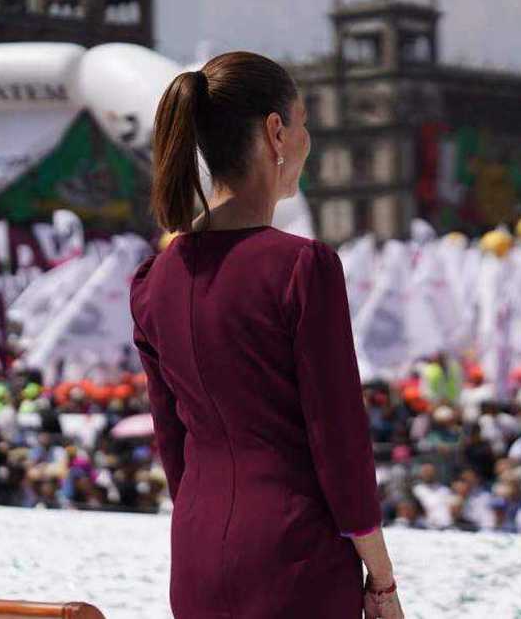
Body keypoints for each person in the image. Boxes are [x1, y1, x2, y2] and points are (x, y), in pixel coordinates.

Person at [131, 52, 402, 618]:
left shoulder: (154, 279)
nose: (307, 140)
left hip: (197, 552)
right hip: (294, 554)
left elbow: (173, 446)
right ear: (276, 132)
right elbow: (340, 440)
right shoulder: (302, 266)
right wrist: (381, 578)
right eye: (303, 124)